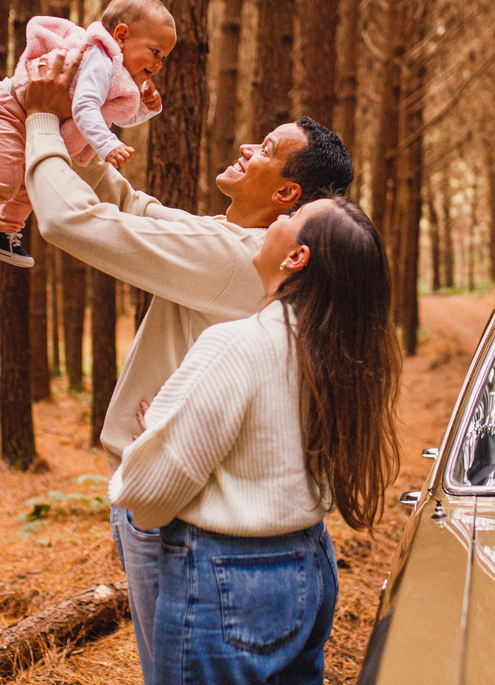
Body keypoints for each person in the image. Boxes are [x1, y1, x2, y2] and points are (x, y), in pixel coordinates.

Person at [19, 48, 354, 683]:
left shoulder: (236, 259)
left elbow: (69, 221)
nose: (248, 146)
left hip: (187, 518)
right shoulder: (237, 247)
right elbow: (133, 207)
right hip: (270, 537)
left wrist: (39, 122)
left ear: (286, 193)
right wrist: (80, 124)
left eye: (266, 148)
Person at [109, 195, 401, 685]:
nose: (279, 218)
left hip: (224, 578)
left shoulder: (235, 343)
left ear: (297, 257)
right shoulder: (337, 357)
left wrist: (151, 437)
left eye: (293, 217)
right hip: (310, 564)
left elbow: (150, 493)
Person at [0, 0, 176, 268]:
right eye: (155, 52)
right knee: (4, 182)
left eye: (164, 58)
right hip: (3, 111)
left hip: (26, 121)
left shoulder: (117, 73)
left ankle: (3, 231)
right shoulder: (99, 60)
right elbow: (85, 108)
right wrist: (108, 145)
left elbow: (113, 115)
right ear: (122, 36)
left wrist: (146, 107)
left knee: (32, 179)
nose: (158, 64)